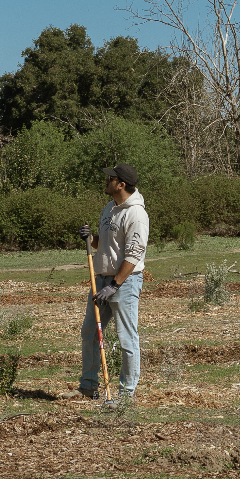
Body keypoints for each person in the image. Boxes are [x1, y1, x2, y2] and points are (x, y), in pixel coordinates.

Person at [79, 164, 149, 400]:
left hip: (124, 283)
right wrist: (91, 238)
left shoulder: (136, 214)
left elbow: (133, 254)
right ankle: (88, 386)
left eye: (111, 178)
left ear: (121, 184)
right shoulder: (109, 208)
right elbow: (106, 244)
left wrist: (115, 285)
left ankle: (126, 394)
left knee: (127, 337)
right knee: (90, 332)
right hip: (101, 279)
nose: (106, 180)